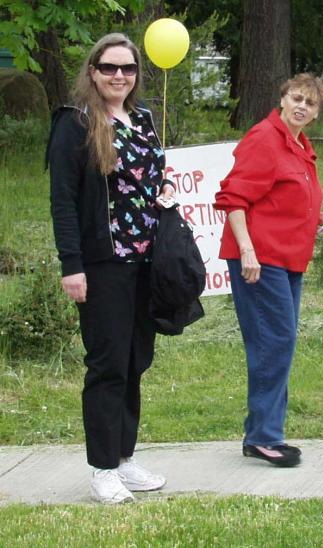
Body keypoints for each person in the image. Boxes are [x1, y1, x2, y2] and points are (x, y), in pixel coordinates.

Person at [47, 33, 173, 504]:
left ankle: (124, 458)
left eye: (128, 69)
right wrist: (71, 265)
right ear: (93, 71)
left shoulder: (143, 119)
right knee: (107, 365)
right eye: (110, 68)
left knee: (135, 361)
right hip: (102, 264)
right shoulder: (75, 123)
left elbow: (148, 180)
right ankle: (101, 468)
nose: (119, 76)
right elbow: (63, 201)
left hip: (146, 261)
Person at [214, 74, 323, 467]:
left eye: (311, 104)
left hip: (287, 258)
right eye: (296, 98)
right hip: (259, 258)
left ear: (317, 113)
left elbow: (285, 199)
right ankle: (265, 436)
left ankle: (262, 433)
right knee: (275, 341)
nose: (302, 106)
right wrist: (246, 250)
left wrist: (321, 217)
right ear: (282, 98)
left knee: (278, 342)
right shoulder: (264, 138)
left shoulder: (299, 145)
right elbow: (233, 198)